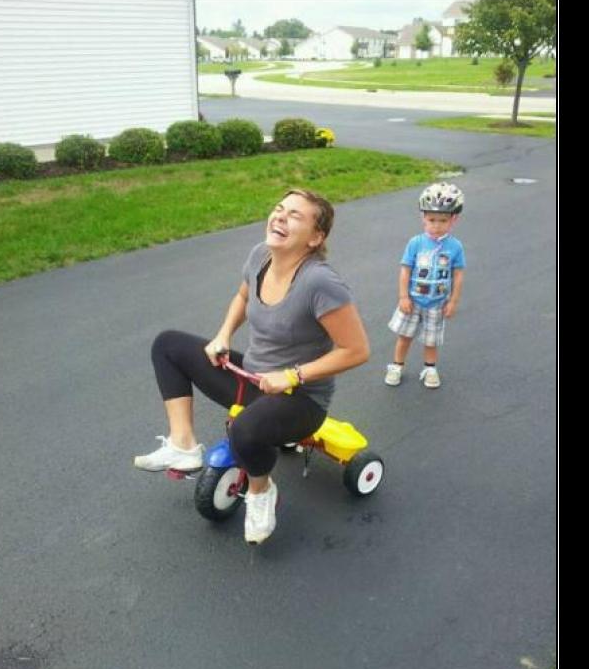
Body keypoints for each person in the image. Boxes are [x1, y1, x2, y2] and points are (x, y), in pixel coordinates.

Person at [134, 189, 370, 545]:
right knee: (167, 345)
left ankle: (261, 493)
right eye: (279, 208)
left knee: (243, 429)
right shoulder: (260, 256)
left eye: (295, 215)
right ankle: (183, 445)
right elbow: (244, 297)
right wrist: (223, 335)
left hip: (301, 399)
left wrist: (293, 375)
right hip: (254, 377)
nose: (280, 216)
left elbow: (356, 350)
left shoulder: (320, 283)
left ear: (316, 237)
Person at [384, 182, 466, 389]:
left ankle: (430, 368)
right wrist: (403, 297)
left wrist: (453, 301)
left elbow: (458, 274)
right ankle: (396, 366)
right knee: (405, 336)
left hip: (437, 303)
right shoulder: (416, 243)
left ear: (454, 219)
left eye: (442, 220)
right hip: (412, 300)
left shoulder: (455, 246)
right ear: (423, 217)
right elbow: (405, 270)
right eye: (431, 220)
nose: (436, 226)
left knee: (431, 340)